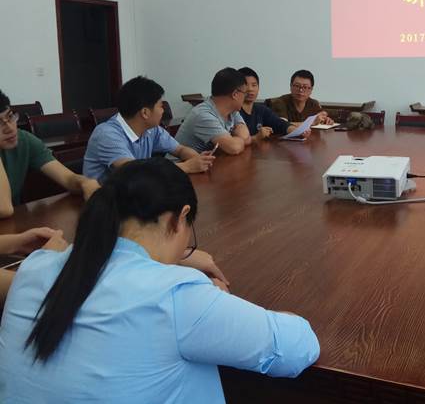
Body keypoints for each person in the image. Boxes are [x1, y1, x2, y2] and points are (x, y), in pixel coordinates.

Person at [0, 158, 320, 402]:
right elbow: (297, 348)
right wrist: (225, 306)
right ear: (178, 219)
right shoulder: (176, 296)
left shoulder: (34, 268)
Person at [83, 76, 213, 182]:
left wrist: (198, 160)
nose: (163, 111)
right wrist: (186, 166)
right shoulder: (107, 134)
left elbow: (180, 149)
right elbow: (134, 172)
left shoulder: (151, 129)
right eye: (160, 106)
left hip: (134, 194)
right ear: (145, 113)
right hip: (103, 200)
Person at [0, 90, 100, 218]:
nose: (9, 128)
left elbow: (68, 178)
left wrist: (84, 182)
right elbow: (4, 209)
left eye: (10, 117)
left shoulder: (24, 140)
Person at [175, 68, 252, 155]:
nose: (245, 97)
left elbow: (247, 137)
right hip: (182, 163)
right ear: (235, 94)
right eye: (245, 93)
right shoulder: (203, 114)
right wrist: (236, 140)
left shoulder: (232, 111)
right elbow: (234, 148)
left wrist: (236, 140)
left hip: (210, 161)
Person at [238, 67, 310, 141]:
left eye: (254, 85)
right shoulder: (234, 112)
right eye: (246, 85)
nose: (250, 89)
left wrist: (298, 132)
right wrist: (256, 137)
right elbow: (235, 142)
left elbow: (279, 124)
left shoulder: (261, 109)